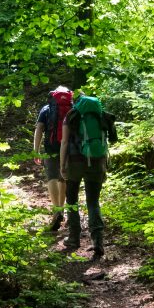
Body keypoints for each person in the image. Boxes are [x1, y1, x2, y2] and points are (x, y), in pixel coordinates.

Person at [59, 92, 116, 260]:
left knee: (71, 200)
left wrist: (62, 166)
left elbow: (64, 142)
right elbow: (112, 139)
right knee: (93, 202)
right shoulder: (102, 115)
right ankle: (98, 241)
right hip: (97, 163)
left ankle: (74, 238)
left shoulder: (71, 115)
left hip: (75, 163)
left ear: (76, 103)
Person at [33, 85, 73, 230]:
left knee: (52, 177)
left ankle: (56, 210)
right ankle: (61, 208)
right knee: (63, 178)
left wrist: (36, 151)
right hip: (68, 148)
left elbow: (39, 129)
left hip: (50, 147)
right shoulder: (72, 107)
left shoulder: (46, 108)